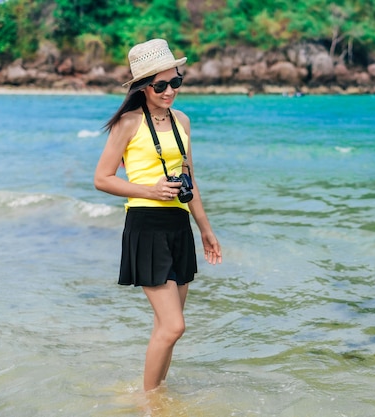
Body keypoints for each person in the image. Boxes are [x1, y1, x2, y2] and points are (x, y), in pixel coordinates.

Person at [94, 38, 222, 392]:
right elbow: (102, 179)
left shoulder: (182, 120)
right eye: (160, 85)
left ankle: (158, 392)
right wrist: (149, 190)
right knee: (173, 326)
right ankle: (149, 404)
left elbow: (189, 179)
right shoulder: (128, 123)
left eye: (175, 82)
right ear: (143, 87)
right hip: (146, 226)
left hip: (178, 226)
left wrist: (206, 230)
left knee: (167, 328)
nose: (169, 91)